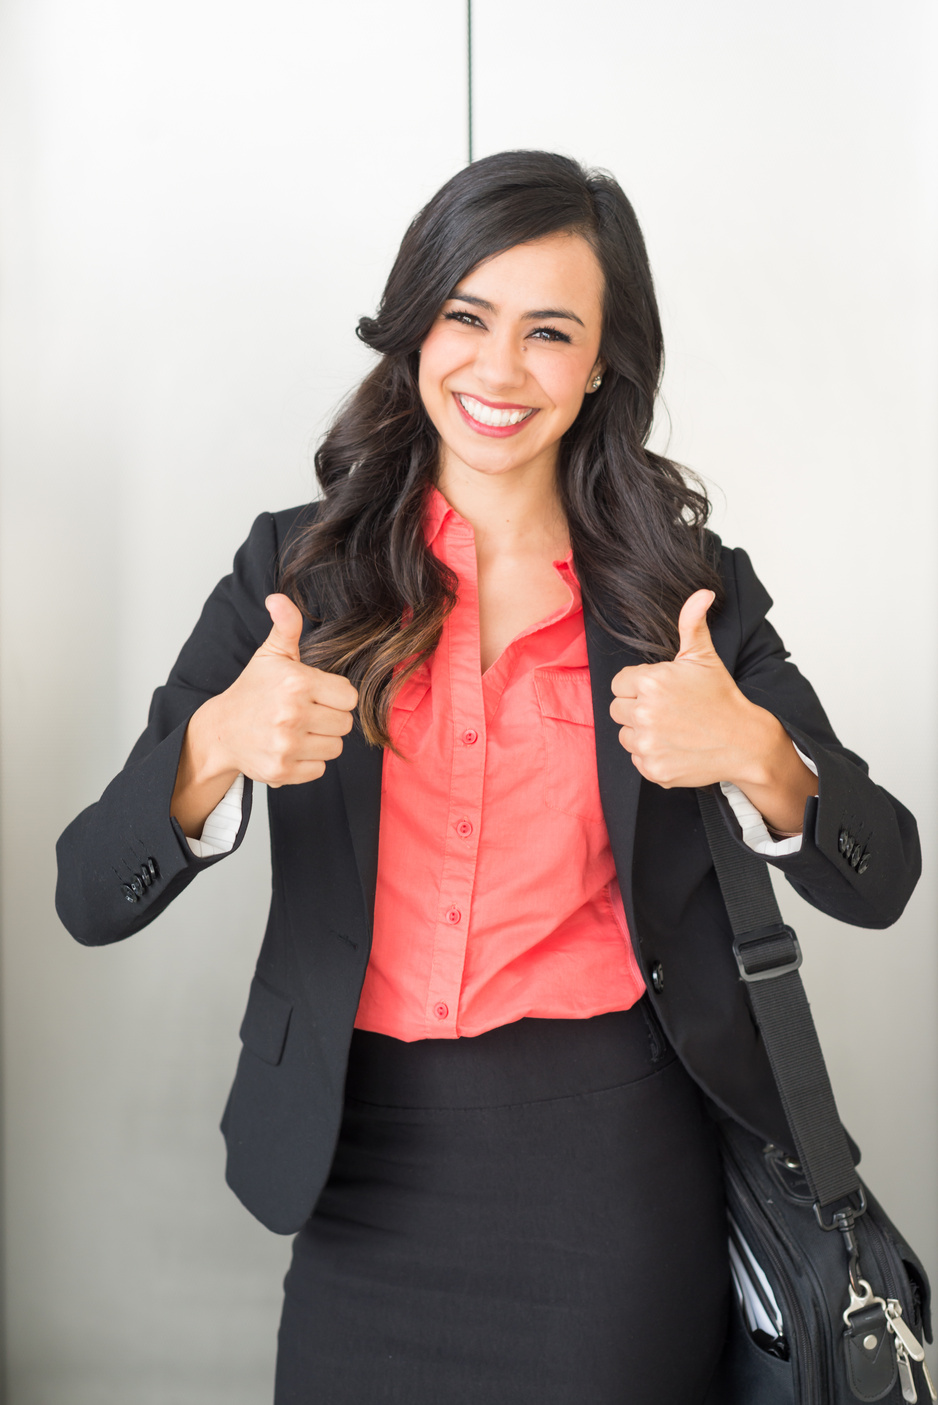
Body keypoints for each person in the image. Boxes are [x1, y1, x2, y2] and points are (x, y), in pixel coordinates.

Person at [55, 151, 920, 1405]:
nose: (497, 369)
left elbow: (880, 870)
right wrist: (211, 752)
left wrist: (750, 751)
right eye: (464, 316)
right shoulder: (288, 576)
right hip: (356, 1160)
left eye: (548, 332)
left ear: (601, 364)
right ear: (416, 328)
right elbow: (90, 891)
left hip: (603, 1172)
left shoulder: (679, 594)